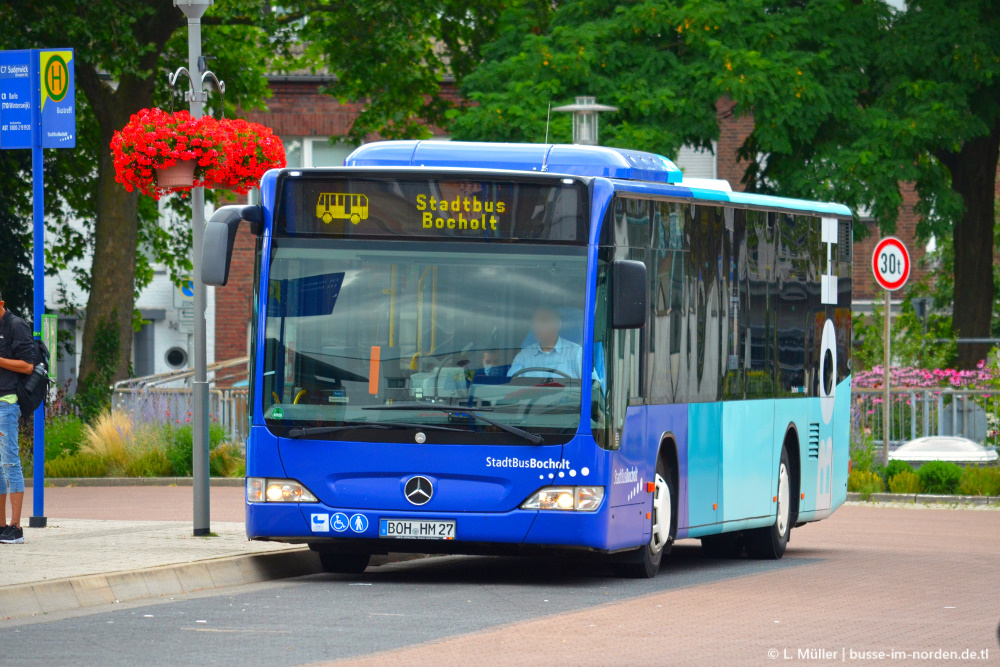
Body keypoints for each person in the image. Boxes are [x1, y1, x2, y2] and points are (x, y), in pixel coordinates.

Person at [0, 289, 34, 544]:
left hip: (7, 403)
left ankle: (16, 527)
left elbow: (27, 365)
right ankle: (1, 525)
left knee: (11, 464)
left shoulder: (16, 325)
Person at [507, 307, 583, 379]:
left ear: (557, 325)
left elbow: (593, 386)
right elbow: (511, 386)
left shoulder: (576, 353)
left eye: (543, 321)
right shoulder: (523, 356)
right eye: (534, 322)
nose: (537, 326)